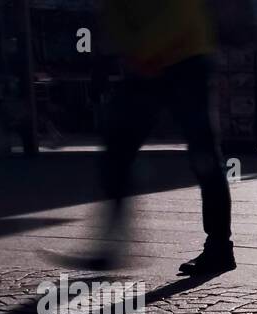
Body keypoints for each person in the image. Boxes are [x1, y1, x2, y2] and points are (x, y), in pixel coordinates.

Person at [86, 0, 236, 276]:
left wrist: (143, 52)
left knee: (204, 156)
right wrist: (136, 53)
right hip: (148, 62)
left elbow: (183, 11)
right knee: (118, 150)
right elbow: (113, 14)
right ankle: (111, 245)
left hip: (187, 55)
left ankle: (219, 248)